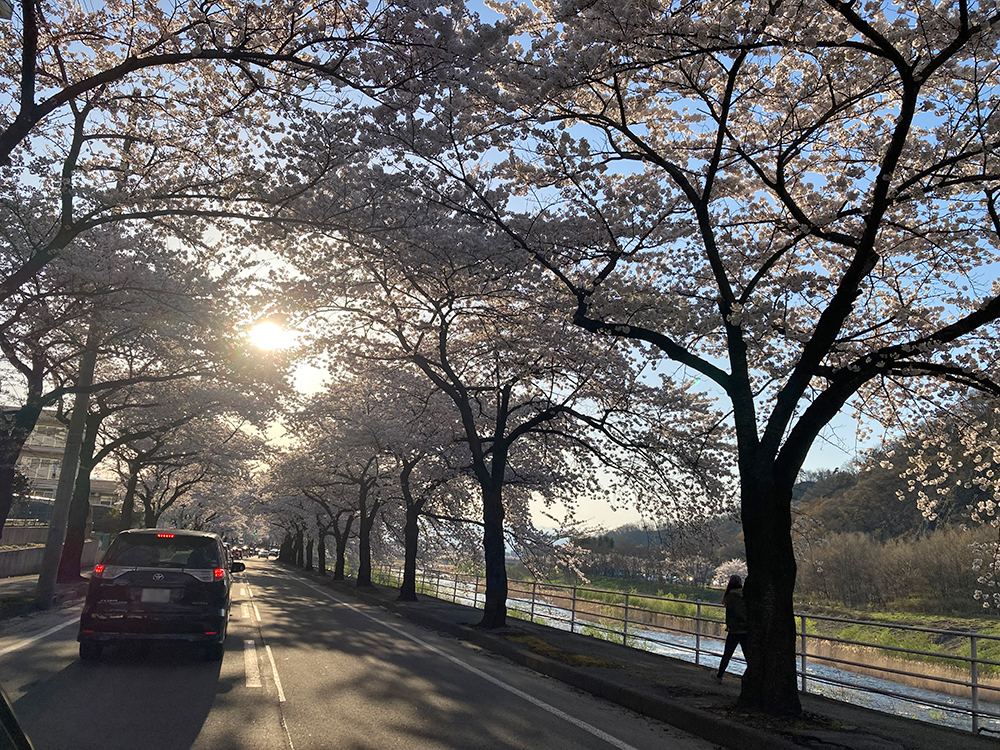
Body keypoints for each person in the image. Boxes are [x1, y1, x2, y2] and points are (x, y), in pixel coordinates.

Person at [715, 574, 748, 683]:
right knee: (748, 656)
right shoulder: (746, 595)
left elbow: (735, 613)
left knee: (727, 654)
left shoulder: (731, 597)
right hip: (746, 630)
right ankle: (752, 677)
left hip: (735, 629)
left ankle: (719, 675)